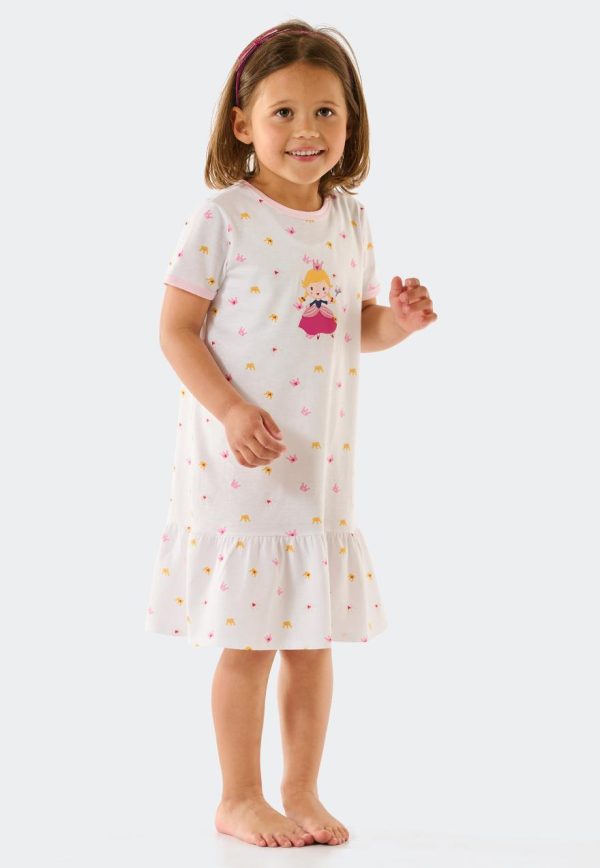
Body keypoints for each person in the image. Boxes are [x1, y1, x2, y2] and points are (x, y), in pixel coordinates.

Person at [145, 19, 438, 849]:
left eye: (325, 112)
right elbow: (175, 330)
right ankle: (237, 796)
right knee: (250, 640)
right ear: (243, 124)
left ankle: (301, 790)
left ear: (351, 123)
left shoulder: (350, 220)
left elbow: (350, 326)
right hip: (241, 464)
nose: (306, 131)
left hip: (319, 465)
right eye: (283, 113)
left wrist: (398, 323)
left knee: (311, 640)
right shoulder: (223, 219)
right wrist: (231, 410)